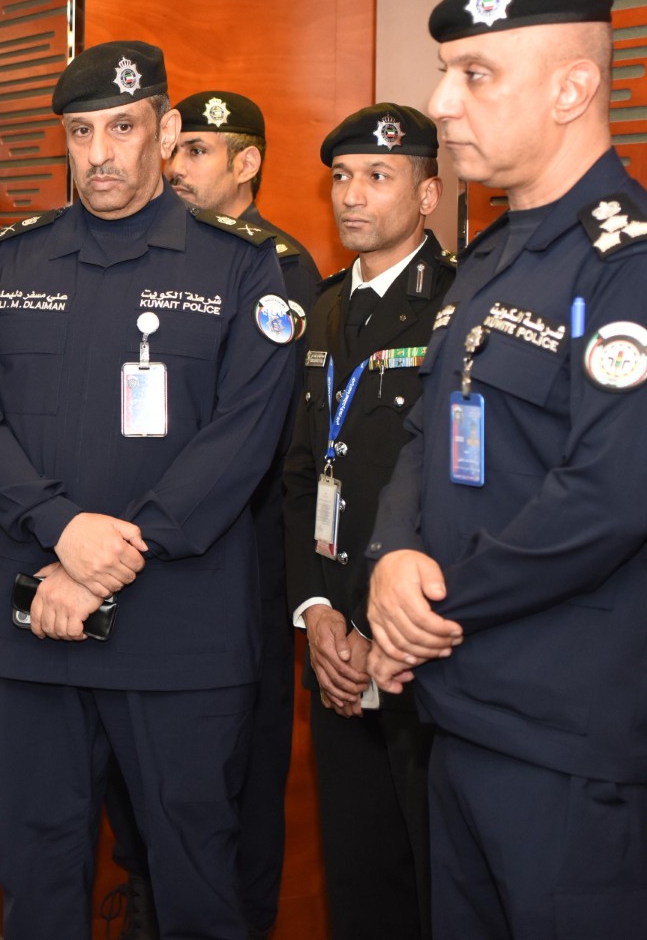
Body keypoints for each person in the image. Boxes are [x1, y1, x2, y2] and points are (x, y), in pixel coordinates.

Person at [362, 0, 647, 939]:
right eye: (446, 71)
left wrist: (428, 610)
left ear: (574, 87)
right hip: (464, 711)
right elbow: (428, 429)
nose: (442, 101)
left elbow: (607, 501)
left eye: (476, 74)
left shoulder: (645, 271)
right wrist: (395, 552)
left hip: (578, 745)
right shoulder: (494, 255)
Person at [0, 40, 300, 940]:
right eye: (80, 131)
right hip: (34, 625)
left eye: (123, 127)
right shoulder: (10, 262)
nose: (100, 152)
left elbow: (240, 443)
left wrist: (105, 560)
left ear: (168, 132)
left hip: (177, 636)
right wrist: (64, 532)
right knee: (36, 869)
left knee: (194, 880)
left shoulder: (241, 269)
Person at [99, 87, 314, 940]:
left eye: (195, 153)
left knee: (229, 784)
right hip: (141, 552)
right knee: (141, 777)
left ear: (247, 163)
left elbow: (255, 435)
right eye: (174, 149)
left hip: (237, 560)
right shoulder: (157, 254)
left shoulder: (272, 266)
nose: (175, 166)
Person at [283, 103, 450, 940]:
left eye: (378, 176)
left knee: (433, 874)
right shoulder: (320, 309)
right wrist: (316, 614)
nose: (353, 195)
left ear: (427, 195)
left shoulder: (456, 309)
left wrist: (382, 626)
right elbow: (301, 474)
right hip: (335, 642)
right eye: (341, 177)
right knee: (356, 870)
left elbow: (456, 488)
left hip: (416, 642)